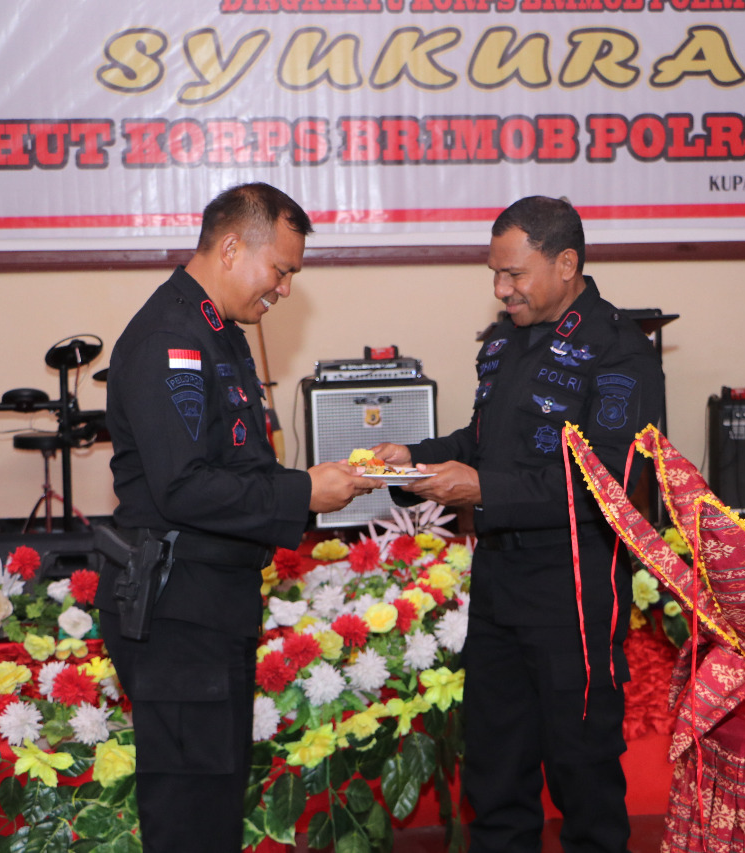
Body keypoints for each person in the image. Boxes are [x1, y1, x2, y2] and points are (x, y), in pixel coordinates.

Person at [372, 196, 664, 853]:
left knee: (581, 769)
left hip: (574, 591)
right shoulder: (504, 341)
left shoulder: (620, 353)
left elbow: (605, 484)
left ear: (566, 263)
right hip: (501, 582)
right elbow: (483, 444)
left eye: (515, 275)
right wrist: (413, 457)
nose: (502, 290)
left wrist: (481, 488)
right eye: (494, 276)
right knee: (495, 770)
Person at [94, 182, 375, 851]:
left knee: (215, 801)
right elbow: (185, 487)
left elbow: (237, 463)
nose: (282, 289)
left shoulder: (216, 332)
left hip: (208, 599)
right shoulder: (173, 338)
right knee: (191, 813)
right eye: (280, 270)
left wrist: (302, 486)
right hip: (177, 607)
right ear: (229, 247)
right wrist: (302, 492)